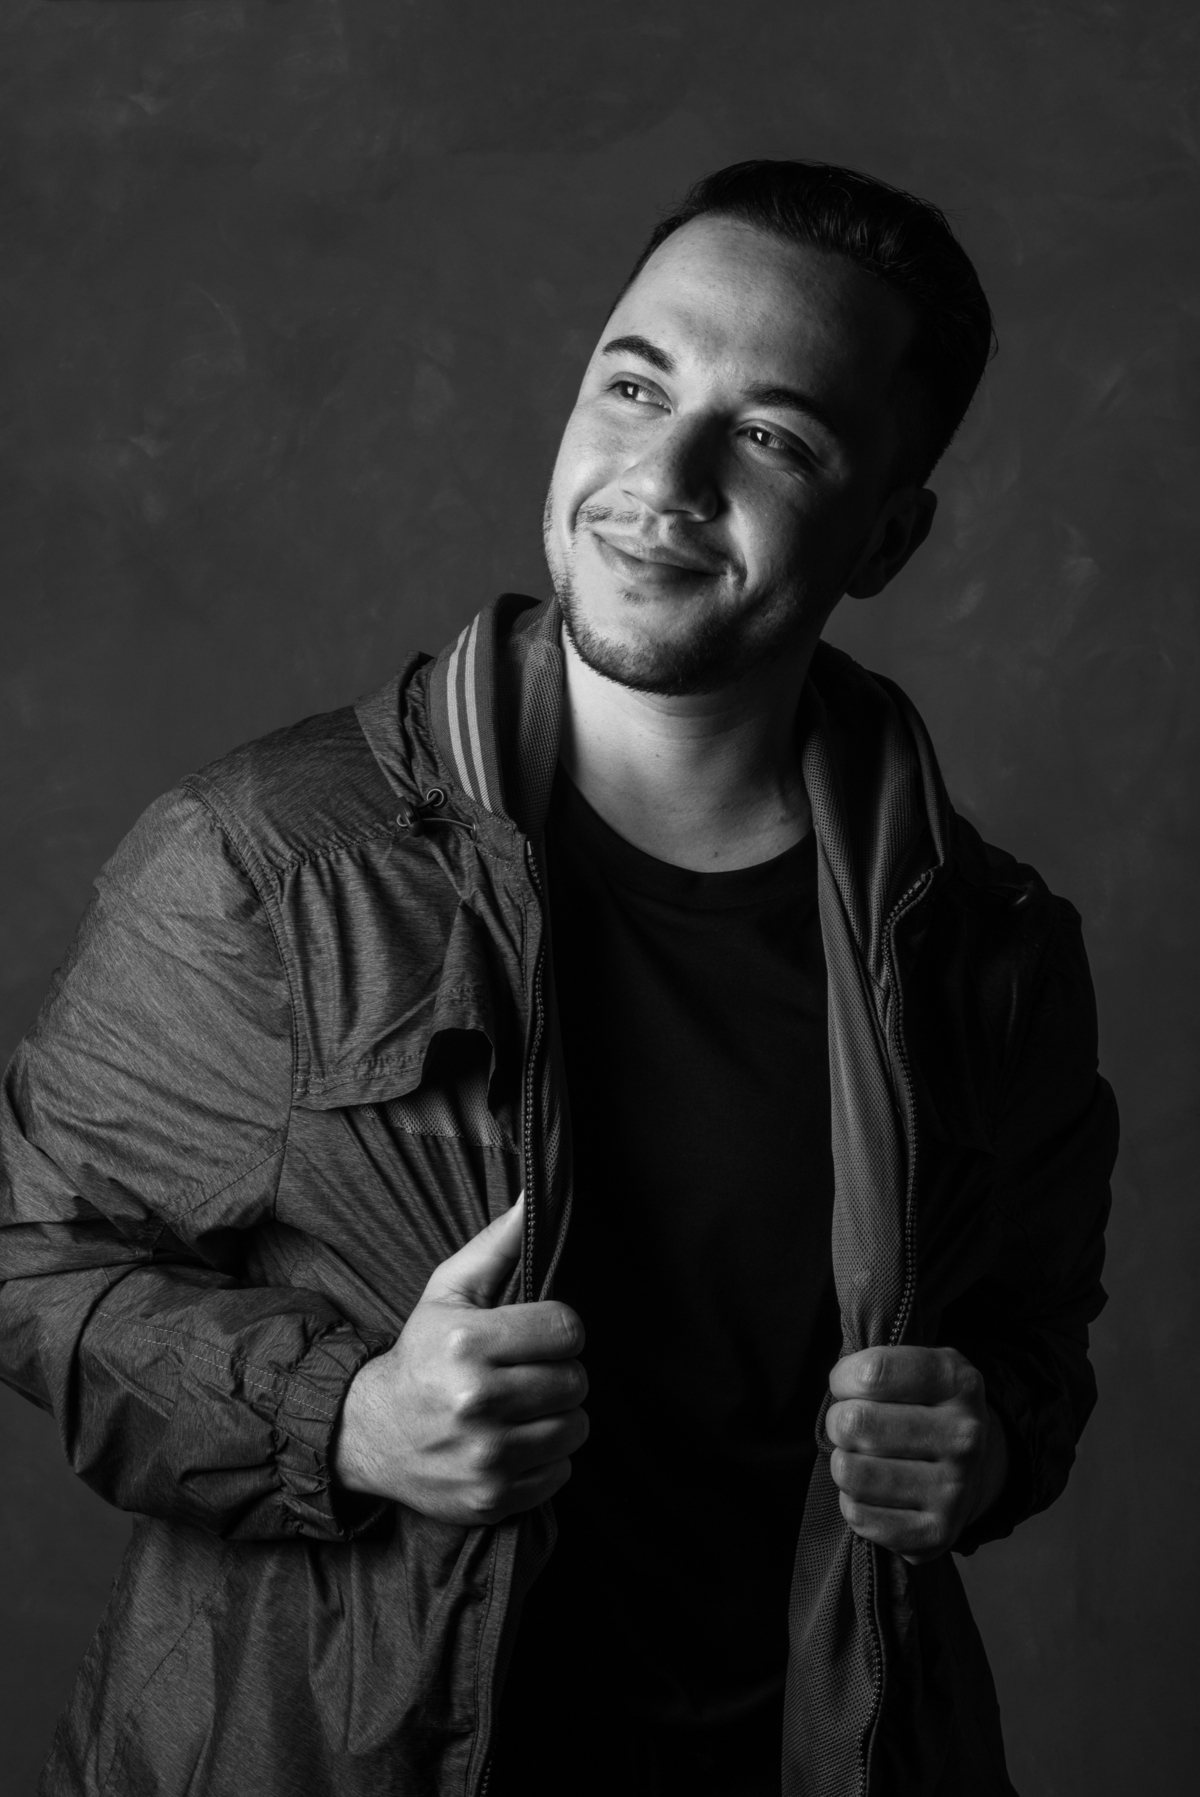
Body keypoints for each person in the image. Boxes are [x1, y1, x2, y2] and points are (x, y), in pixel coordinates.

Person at [0, 160, 1116, 1797]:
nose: (662, 476)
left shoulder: (993, 952)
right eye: (635, 385)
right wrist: (345, 1417)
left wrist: (991, 1439)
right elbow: (32, 1262)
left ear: (886, 533)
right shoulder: (268, 863)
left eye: (773, 435)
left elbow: (1032, 1333)